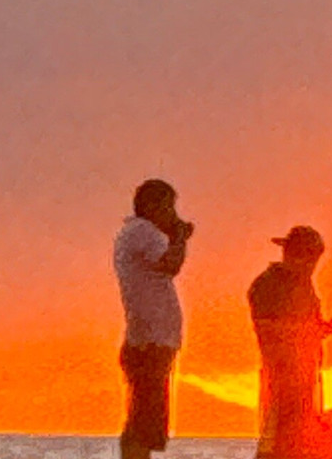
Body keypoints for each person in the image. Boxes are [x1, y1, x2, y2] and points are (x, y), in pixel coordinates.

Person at [248, 225, 332, 459]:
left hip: (305, 373)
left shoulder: (301, 284)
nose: (312, 265)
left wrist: (324, 329)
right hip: (282, 374)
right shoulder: (269, 285)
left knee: (301, 438)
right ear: (294, 254)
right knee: (279, 439)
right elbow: (268, 327)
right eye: (310, 258)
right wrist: (313, 329)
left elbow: (301, 327)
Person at [113, 178, 195, 459]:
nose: (172, 214)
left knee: (144, 422)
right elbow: (171, 264)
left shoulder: (136, 233)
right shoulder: (144, 232)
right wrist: (179, 236)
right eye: (168, 207)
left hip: (149, 339)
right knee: (142, 423)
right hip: (150, 341)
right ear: (151, 206)